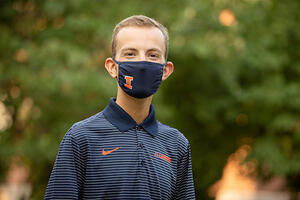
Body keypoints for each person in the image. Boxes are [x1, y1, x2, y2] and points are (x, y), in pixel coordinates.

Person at [44, 15, 195, 200]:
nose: (141, 62)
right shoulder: (81, 138)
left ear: (166, 70)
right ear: (112, 67)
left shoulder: (177, 144)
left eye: (152, 55)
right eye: (130, 54)